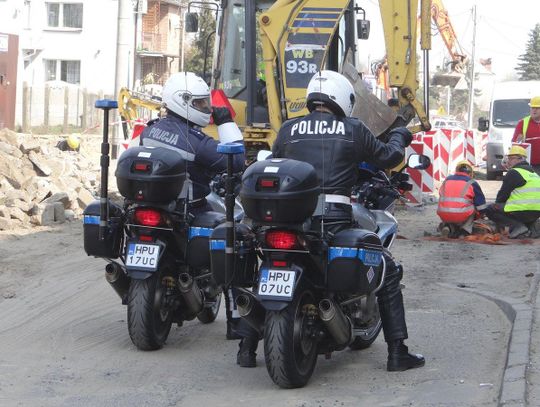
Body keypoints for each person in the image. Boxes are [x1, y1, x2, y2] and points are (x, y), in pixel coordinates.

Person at [272, 70, 425, 372]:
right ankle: (397, 352)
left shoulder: (289, 128)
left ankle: (246, 348)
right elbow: (389, 158)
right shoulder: (351, 128)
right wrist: (399, 135)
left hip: (290, 218)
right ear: (343, 99)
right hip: (333, 220)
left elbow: (275, 160)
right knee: (388, 270)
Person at [140, 71, 259, 367]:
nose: (206, 108)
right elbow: (236, 158)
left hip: (147, 206)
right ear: (183, 103)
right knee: (232, 237)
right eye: (201, 103)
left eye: (207, 104)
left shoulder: (149, 130)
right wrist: (225, 120)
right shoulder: (196, 142)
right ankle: (235, 319)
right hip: (187, 209)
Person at [485, 145, 540, 238]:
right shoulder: (534, 173)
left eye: (511, 158)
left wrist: (497, 207)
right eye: (508, 158)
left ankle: (518, 227)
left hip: (521, 211)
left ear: (520, 159)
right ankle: (530, 228)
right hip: (537, 212)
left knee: (490, 209)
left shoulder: (514, 172)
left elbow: (502, 196)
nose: (509, 161)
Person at [437, 160, 488, 238]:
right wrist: (482, 215)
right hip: (462, 215)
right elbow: (481, 206)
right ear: (470, 173)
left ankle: (447, 227)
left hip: (443, 213)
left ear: (457, 170)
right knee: (474, 207)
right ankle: (464, 231)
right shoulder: (472, 183)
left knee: (449, 208)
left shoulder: (447, 180)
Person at [512, 96, 540, 174]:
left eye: (537, 108)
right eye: (532, 107)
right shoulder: (523, 123)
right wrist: (518, 141)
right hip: (529, 165)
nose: (534, 110)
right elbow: (515, 144)